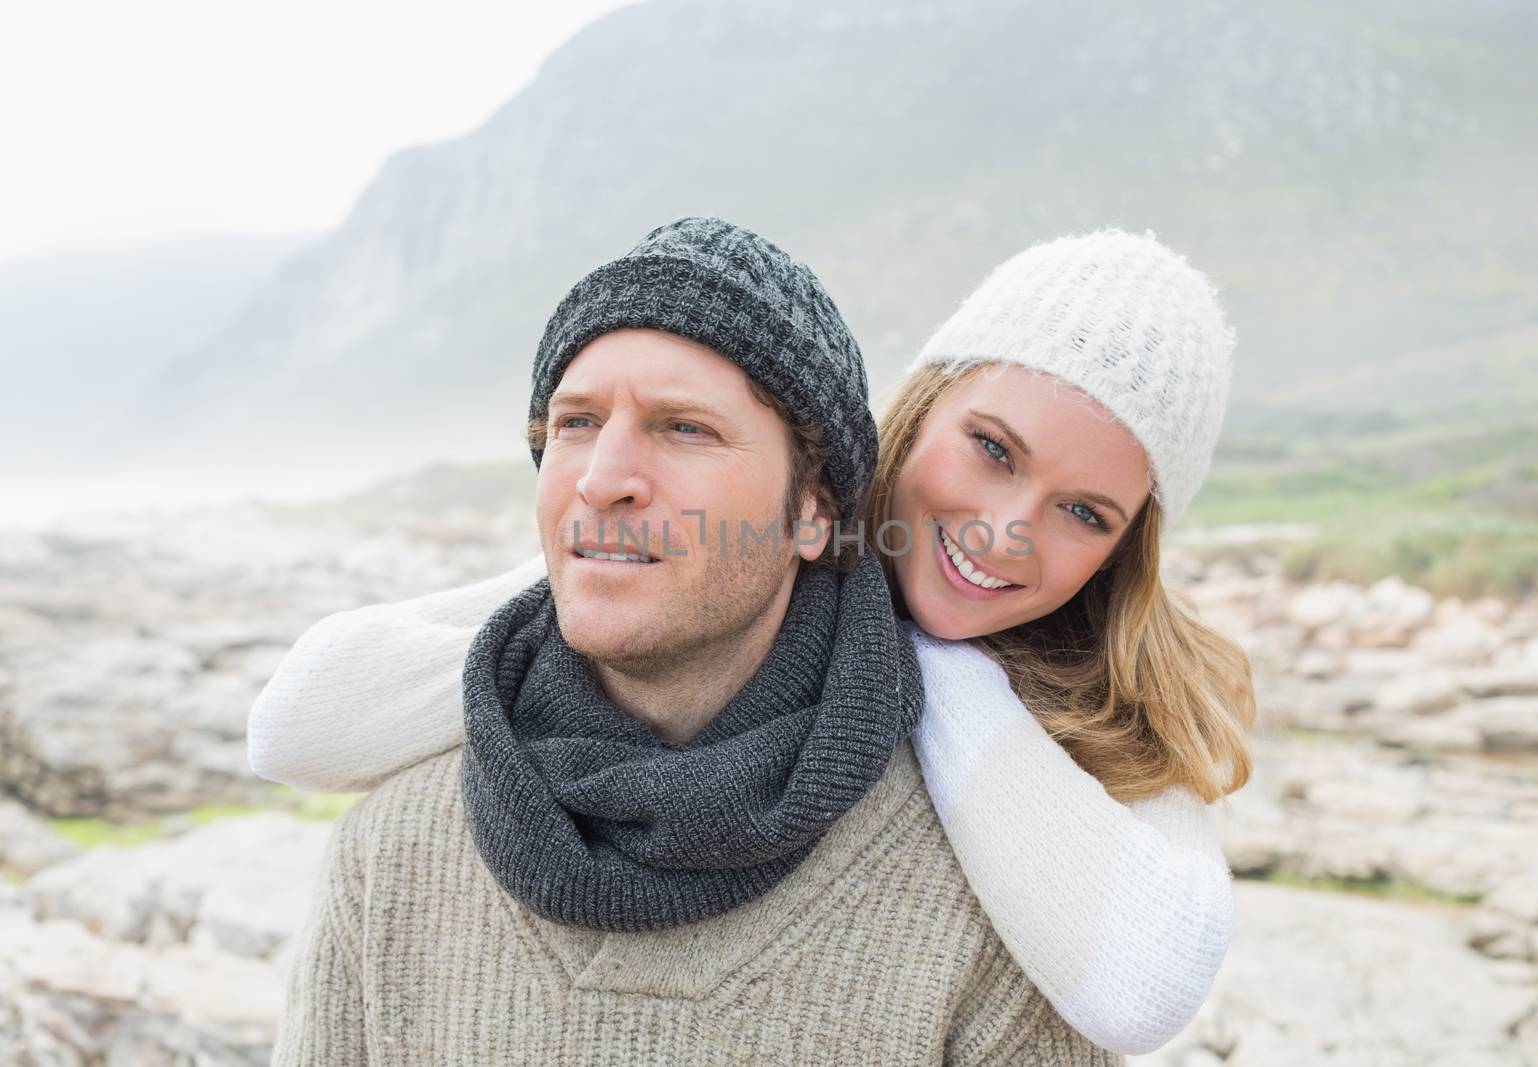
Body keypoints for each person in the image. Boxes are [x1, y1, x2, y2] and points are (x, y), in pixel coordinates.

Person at [255, 224, 1254, 1058]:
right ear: (911, 416)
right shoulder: (705, 535)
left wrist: (933, 669)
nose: (1002, 531)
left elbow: (1146, 979)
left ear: (1126, 550)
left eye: (1084, 511)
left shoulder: (1097, 741)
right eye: (991, 449)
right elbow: (297, 724)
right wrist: (627, 557)